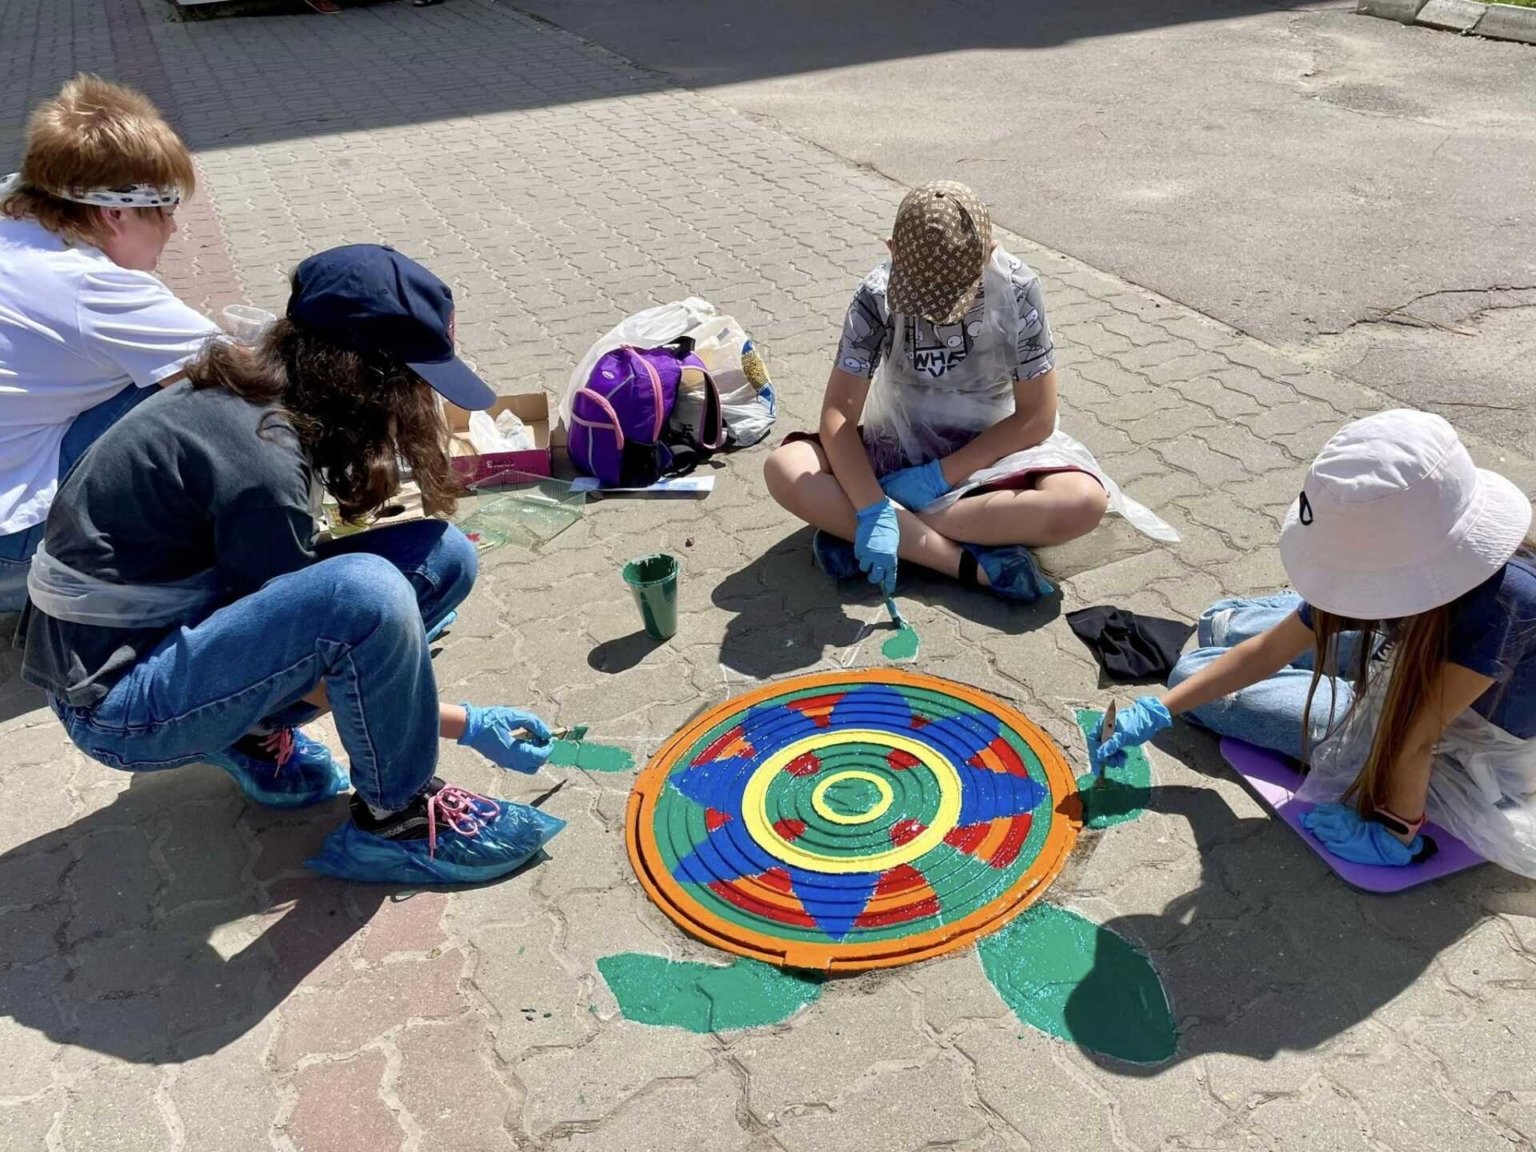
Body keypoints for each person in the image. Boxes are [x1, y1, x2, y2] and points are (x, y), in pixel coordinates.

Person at [19, 244, 564, 885]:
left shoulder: (263, 390)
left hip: (150, 637)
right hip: (114, 704)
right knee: (366, 595)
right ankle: (397, 820)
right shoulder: (262, 461)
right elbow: (315, 659)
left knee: (443, 557)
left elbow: (277, 630)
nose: (420, 397)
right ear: (362, 376)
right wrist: (464, 724)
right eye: (413, 380)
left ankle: (248, 735)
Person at [1095, 410, 1536, 874]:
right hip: (1405, 662)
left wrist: (1394, 830)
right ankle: (1309, 653)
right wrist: (1159, 710)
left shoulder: (1509, 602)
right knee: (1221, 622)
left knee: (1189, 671)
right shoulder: (1399, 547)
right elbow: (1268, 650)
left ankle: (1337, 680)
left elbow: (1414, 737)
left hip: (1460, 745)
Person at [763, 180, 1172, 603]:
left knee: (1081, 502)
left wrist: (934, 478)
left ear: (989, 253)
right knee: (784, 467)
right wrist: (871, 507)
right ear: (892, 251)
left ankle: (876, 529)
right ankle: (962, 563)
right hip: (896, 447)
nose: (937, 316)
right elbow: (838, 416)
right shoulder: (875, 295)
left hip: (991, 451)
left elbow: (1036, 417)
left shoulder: (1017, 289)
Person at [0, 75, 221, 614]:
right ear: (114, 212)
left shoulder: (14, 218)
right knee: (193, 391)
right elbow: (243, 371)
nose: (173, 229)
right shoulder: (91, 286)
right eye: (166, 208)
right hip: (14, 556)